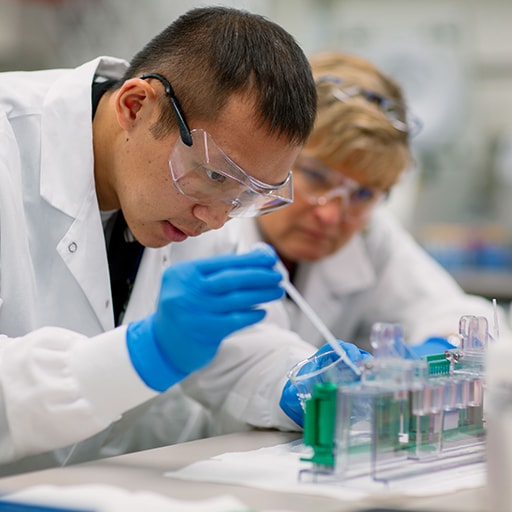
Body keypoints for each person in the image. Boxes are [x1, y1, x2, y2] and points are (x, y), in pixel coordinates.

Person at [0, 6, 322, 475]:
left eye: (247, 195)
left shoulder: (200, 203)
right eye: (213, 175)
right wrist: (139, 354)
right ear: (135, 106)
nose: (215, 218)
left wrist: (299, 378)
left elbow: (235, 346)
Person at [228, 51, 511, 425]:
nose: (332, 214)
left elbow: (459, 314)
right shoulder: (215, 226)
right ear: (273, 156)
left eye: (362, 194)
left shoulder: (371, 233)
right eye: (316, 176)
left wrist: (432, 356)